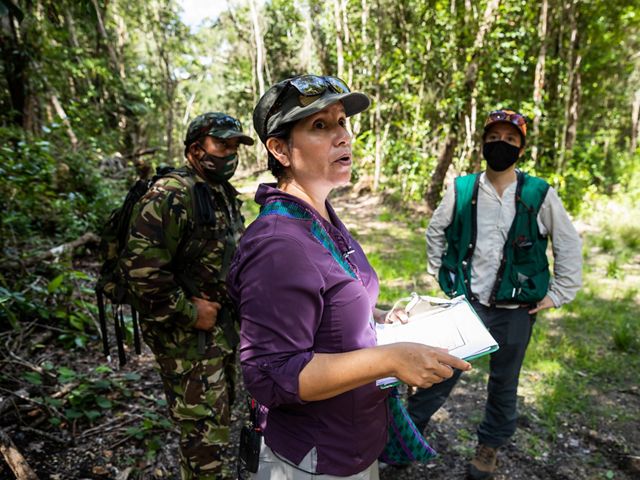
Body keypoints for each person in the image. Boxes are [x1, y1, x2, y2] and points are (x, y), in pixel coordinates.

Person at [227, 74, 472, 479]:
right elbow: (271, 375)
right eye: (320, 126)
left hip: (354, 443)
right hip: (312, 460)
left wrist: (375, 324)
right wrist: (390, 358)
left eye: (342, 122)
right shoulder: (277, 243)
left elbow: (326, 313)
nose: (343, 136)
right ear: (279, 149)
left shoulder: (318, 217)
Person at [407, 109, 583, 479]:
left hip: (516, 310)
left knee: (504, 383)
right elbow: (435, 231)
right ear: (482, 142)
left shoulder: (539, 193)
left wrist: (558, 293)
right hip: (467, 304)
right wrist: (442, 275)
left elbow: (568, 243)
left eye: (510, 140)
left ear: (521, 148)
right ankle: (406, 436)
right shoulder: (464, 188)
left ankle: (488, 449)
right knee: (438, 373)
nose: (500, 145)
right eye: (493, 139)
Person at [119, 112, 254, 479]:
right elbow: (141, 271)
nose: (229, 153)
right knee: (203, 438)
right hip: (186, 339)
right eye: (221, 144)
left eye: (234, 146)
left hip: (217, 334)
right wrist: (190, 313)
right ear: (196, 149)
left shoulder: (218, 192)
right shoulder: (170, 194)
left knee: (214, 427)